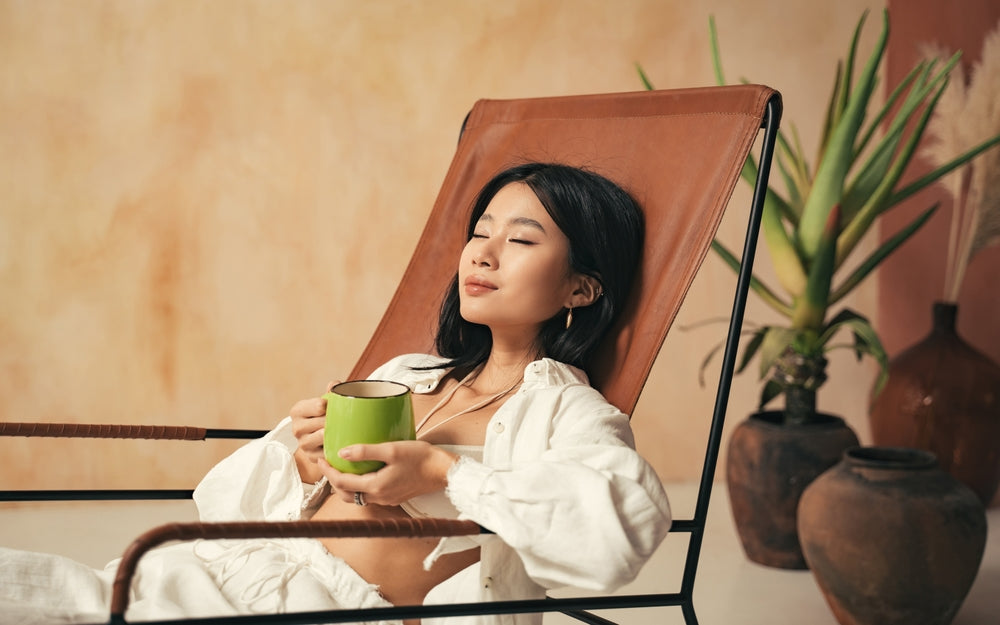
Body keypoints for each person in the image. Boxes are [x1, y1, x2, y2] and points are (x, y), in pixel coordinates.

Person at [0, 162, 671, 625]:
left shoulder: (565, 410)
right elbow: (220, 501)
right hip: (240, 570)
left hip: (332, 607)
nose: (483, 253)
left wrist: (443, 470)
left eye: (521, 239)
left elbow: (623, 528)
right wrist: (301, 457)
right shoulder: (409, 372)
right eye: (480, 231)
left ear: (581, 288)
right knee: (59, 593)